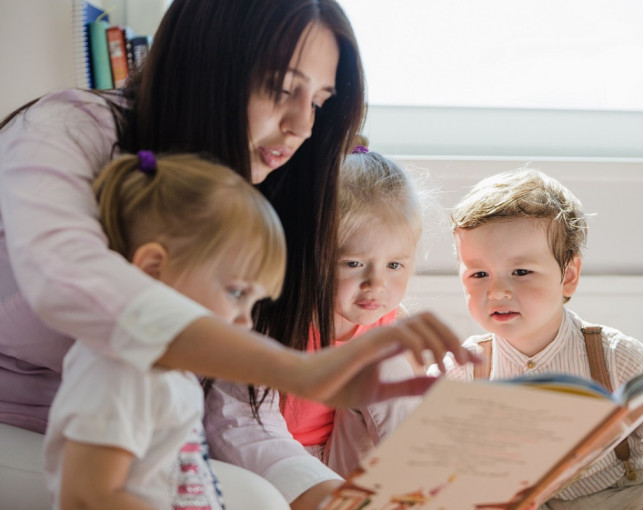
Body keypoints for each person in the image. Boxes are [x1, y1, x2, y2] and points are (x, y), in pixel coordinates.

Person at [0, 0, 475, 507]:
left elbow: (241, 413)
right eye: (282, 89)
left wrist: (333, 496)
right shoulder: (67, 129)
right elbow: (66, 278)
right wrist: (296, 371)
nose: (302, 126)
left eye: (317, 101)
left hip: (143, 436)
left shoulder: (256, 190)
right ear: (208, 65)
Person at [434, 168, 643, 510]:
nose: (497, 290)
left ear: (569, 276)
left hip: (617, 499)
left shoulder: (615, 354)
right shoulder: (462, 367)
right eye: (479, 274)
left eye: (521, 272)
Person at [44, 151, 288, 509]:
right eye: (236, 292)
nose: (245, 322)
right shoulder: (121, 371)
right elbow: (88, 494)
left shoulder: (169, 369)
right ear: (153, 269)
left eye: (254, 302)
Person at [205, 143, 427, 493]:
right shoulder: (270, 319)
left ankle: (428, 484)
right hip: (281, 463)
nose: (377, 284)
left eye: (395, 265)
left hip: (345, 456)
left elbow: (397, 414)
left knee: (391, 368)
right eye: (353, 264)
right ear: (312, 258)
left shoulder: (389, 323)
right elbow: (241, 423)